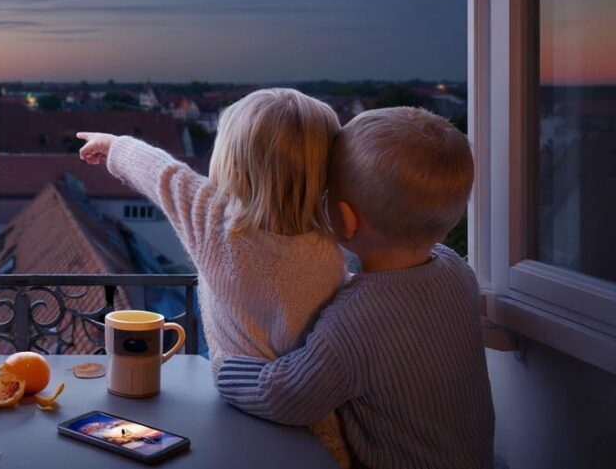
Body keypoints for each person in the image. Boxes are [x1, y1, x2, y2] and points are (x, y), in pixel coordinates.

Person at [78, 88, 349, 465]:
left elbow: (164, 175)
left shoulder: (218, 225)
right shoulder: (330, 253)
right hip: (316, 431)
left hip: (241, 413)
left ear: (231, 161)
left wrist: (113, 146)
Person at [216, 107, 494, 469]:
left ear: (347, 220)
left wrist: (224, 367)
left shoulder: (355, 321)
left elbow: (288, 397)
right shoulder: (456, 272)